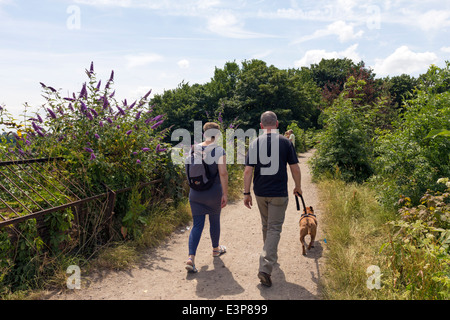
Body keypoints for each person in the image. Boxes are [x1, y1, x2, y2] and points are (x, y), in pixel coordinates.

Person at [243, 111, 302, 287]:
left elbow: (247, 171)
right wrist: (298, 187)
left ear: (261, 126)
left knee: (266, 225)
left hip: (260, 192)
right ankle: (266, 266)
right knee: (274, 228)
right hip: (279, 193)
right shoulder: (285, 142)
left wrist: (246, 193)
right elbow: (295, 168)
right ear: (276, 124)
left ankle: (268, 255)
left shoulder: (254, 143)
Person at [185, 122, 228, 273]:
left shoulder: (192, 149)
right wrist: (225, 193)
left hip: (195, 193)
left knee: (197, 225)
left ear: (204, 134)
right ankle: (216, 249)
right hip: (213, 193)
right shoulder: (219, 150)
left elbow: (188, 172)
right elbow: (223, 173)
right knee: (214, 220)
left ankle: (191, 258)